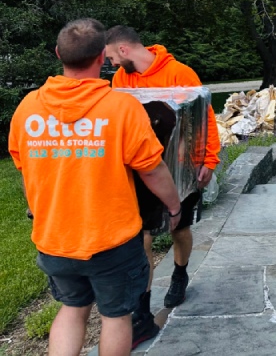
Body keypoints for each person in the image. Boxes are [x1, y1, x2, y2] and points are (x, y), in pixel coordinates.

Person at [8, 19, 182, 356]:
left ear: (59, 54)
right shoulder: (121, 107)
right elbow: (153, 170)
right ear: (102, 59)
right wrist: (174, 207)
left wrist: (34, 205)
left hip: (55, 239)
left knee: (72, 310)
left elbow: (26, 169)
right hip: (112, 240)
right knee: (116, 317)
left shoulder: (28, 108)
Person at [105, 26, 221, 341]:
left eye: (113, 57)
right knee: (141, 235)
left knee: (179, 229)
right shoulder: (121, 81)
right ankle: (142, 309)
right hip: (142, 170)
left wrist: (209, 159)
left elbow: (204, 116)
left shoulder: (179, 73)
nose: (112, 65)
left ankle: (180, 273)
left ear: (125, 50)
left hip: (181, 168)